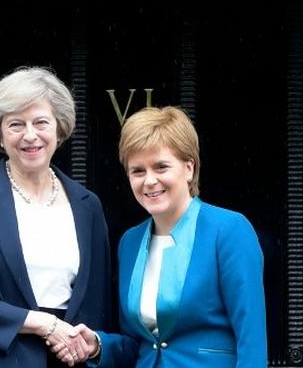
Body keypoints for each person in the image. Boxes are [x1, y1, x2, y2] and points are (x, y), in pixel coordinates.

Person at [54, 106, 268, 367]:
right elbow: (139, 345)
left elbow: (252, 341)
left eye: (161, 167)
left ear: (189, 168)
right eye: (138, 171)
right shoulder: (130, 242)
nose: (149, 181)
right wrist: (98, 345)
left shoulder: (229, 230)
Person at [0, 67, 112, 368]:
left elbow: (98, 308)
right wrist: (43, 324)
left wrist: (89, 345)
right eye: (16, 124)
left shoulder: (87, 206)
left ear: (59, 128)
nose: (30, 135)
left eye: (41, 122)